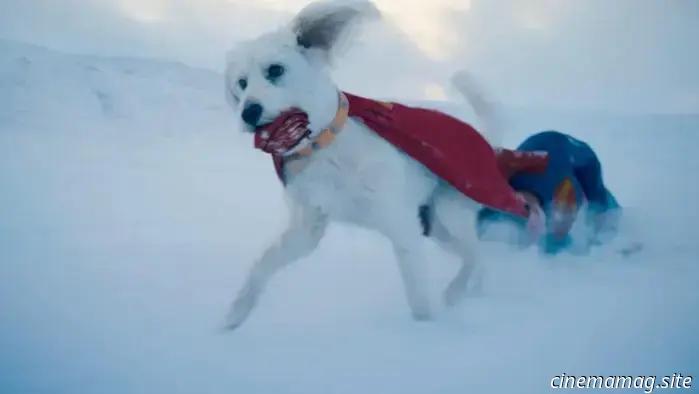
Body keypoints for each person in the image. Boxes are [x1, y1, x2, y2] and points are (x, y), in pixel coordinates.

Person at [477, 130, 622, 255]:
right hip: (540, 155)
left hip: (581, 158)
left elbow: (564, 243)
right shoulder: (498, 193)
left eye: (526, 209)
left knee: (598, 207)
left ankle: (621, 231)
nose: (521, 205)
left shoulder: (564, 194)